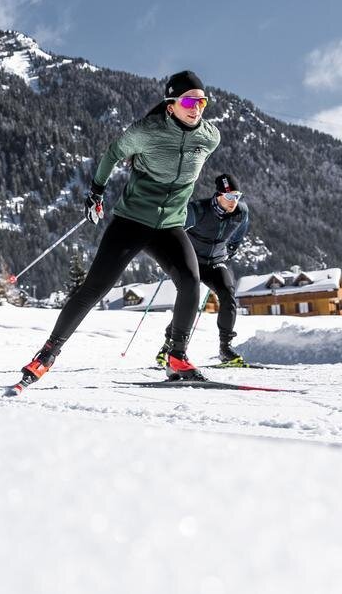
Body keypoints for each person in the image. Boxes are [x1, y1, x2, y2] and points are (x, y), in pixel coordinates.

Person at [14, 70, 222, 388]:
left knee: (192, 283)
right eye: (189, 100)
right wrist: (96, 192)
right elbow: (112, 153)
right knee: (93, 290)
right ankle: (47, 354)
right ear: (171, 105)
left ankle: (177, 357)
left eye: (202, 101)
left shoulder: (209, 137)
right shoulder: (146, 131)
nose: (196, 107)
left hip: (169, 226)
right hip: (131, 222)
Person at [159, 173, 251, 368]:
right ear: (217, 195)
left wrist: (232, 248)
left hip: (215, 261)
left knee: (228, 294)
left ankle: (225, 348)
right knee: (190, 298)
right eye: (229, 197)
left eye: (237, 196)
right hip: (191, 260)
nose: (234, 201)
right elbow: (174, 227)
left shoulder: (240, 212)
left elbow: (242, 230)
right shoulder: (198, 209)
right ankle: (169, 345)